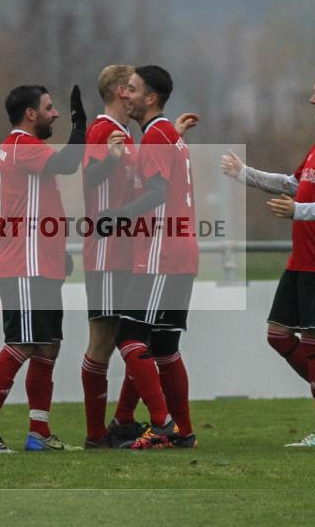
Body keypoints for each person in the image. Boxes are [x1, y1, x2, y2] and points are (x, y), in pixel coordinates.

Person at [222, 66, 315, 447]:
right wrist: (244, 174)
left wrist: (298, 211)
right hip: (302, 258)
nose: (311, 99)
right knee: (278, 335)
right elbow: (293, 183)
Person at [80, 64, 201, 449]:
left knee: (131, 337)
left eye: (134, 89)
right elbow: (95, 177)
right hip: (163, 251)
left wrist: (115, 216)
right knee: (155, 344)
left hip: (157, 252)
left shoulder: (152, 136)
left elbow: (157, 190)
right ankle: (175, 431)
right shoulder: (146, 134)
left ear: (149, 97)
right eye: (126, 88)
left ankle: (158, 424)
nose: (127, 94)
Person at [0, 84, 87, 453]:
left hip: (40, 263)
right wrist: (81, 126)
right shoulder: (21, 144)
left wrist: (58, 251)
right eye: (49, 108)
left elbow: (40, 206)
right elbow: (68, 164)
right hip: (24, 266)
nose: (55, 114)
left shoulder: (26, 148)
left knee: (47, 347)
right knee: (21, 343)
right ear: (30, 114)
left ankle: (38, 433)